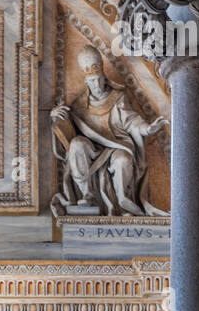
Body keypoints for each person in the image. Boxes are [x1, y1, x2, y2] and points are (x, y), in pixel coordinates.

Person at [51, 45, 168, 216]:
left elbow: (131, 121)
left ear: (104, 78)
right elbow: (65, 131)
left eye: (98, 79)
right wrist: (55, 116)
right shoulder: (79, 106)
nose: (96, 84)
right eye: (92, 81)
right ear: (86, 83)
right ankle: (87, 195)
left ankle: (124, 203)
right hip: (93, 151)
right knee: (77, 145)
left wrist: (147, 129)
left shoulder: (117, 98)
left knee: (123, 159)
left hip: (117, 147)